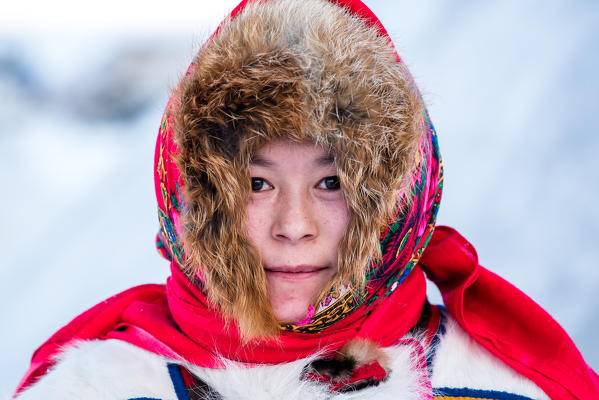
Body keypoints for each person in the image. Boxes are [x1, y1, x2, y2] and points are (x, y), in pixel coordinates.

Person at [13, 0, 599, 399]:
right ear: (192, 193)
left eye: (332, 182)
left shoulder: (495, 385)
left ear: (397, 197)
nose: (295, 227)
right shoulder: (102, 386)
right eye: (256, 183)